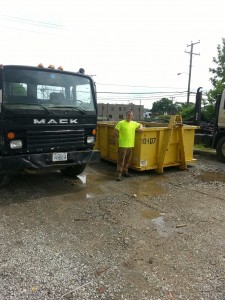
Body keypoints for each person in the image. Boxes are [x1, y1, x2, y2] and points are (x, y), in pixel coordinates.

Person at [113, 110, 143, 181]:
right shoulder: (121, 123)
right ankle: (118, 175)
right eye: (128, 115)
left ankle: (125, 172)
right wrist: (120, 138)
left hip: (130, 145)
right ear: (125, 116)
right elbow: (114, 132)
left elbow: (140, 124)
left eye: (131, 115)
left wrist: (141, 128)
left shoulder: (134, 123)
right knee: (121, 160)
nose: (130, 116)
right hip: (123, 145)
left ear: (132, 116)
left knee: (127, 160)